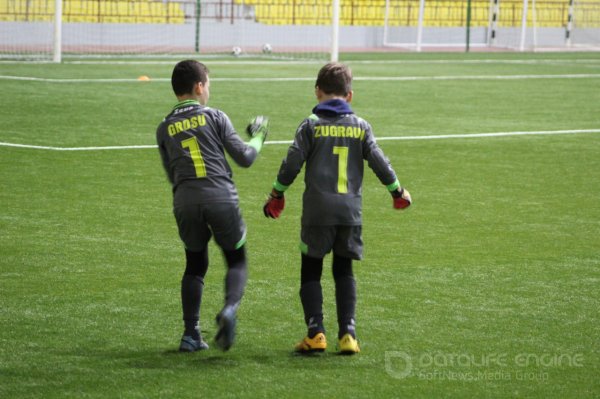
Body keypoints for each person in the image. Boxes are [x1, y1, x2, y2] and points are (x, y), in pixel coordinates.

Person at [263, 62, 411, 355]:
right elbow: (380, 161)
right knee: (344, 271)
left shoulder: (310, 125)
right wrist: (397, 191)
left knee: (311, 270)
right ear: (350, 95)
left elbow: (291, 163)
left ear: (317, 92)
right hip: (350, 213)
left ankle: (316, 333)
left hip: (317, 213)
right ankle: (348, 335)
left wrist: (276, 194)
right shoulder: (361, 126)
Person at [156, 60, 269, 352]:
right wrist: (258, 136)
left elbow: (173, 175)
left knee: (195, 265)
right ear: (199, 87)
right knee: (236, 260)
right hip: (220, 197)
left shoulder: (164, 127)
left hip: (185, 201)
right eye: (208, 84)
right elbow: (244, 157)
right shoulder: (215, 116)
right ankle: (230, 308)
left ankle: (190, 333)